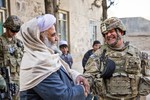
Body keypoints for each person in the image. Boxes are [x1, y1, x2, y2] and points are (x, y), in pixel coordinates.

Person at [18, 14, 90, 100]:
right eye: (52, 35)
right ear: (38, 38)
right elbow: (63, 97)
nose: (57, 39)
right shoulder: (37, 63)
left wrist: (76, 76)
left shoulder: (46, 56)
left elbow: (63, 70)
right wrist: (81, 89)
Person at [83, 17, 150, 100]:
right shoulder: (98, 55)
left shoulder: (137, 53)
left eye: (111, 31)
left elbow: (147, 75)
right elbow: (89, 76)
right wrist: (84, 85)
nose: (108, 35)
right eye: (105, 33)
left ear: (121, 31)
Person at [0, 15, 23, 99]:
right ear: (7, 27)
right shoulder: (1, 42)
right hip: (4, 81)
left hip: (18, 81)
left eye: (16, 31)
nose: (15, 33)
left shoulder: (19, 43)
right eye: (13, 31)